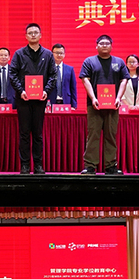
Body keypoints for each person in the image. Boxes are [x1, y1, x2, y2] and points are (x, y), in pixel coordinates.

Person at [9, 23, 56, 175]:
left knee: (37, 134)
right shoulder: (19, 54)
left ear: (40, 35)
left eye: (36, 32)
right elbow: (12, 74)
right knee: (24, 133)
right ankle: (24, 165)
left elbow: (53, 75)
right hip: (23, 99)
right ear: (26, 36)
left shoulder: (48, 55)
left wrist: (46, 91)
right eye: (30, 33)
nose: (33, 35)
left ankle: (38, 165)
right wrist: (21, 90)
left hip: (40, 99)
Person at [80, 34, 130, 175]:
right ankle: (90, 166)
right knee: (93, 135)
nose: (104, 45)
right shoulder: (89, 61)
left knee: (111, 135)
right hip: (94, 105)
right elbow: (85, 80)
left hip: (113, 105)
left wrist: (118, 98)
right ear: (96, 46)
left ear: (111, 46)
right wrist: (93, 98)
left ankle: (111, 165)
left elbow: (124, 80)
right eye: (101, 43)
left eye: (107, 43)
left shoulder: (119, 62)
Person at [50, 44, 78, 108]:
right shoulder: (48, 69)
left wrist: (74, 106)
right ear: (52, 54)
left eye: (61, 53)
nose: (59, 55)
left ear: (64, 54)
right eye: (57, 53)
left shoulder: (70, 69)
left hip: (66, 101)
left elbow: (73, 88)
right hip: (51, 101)